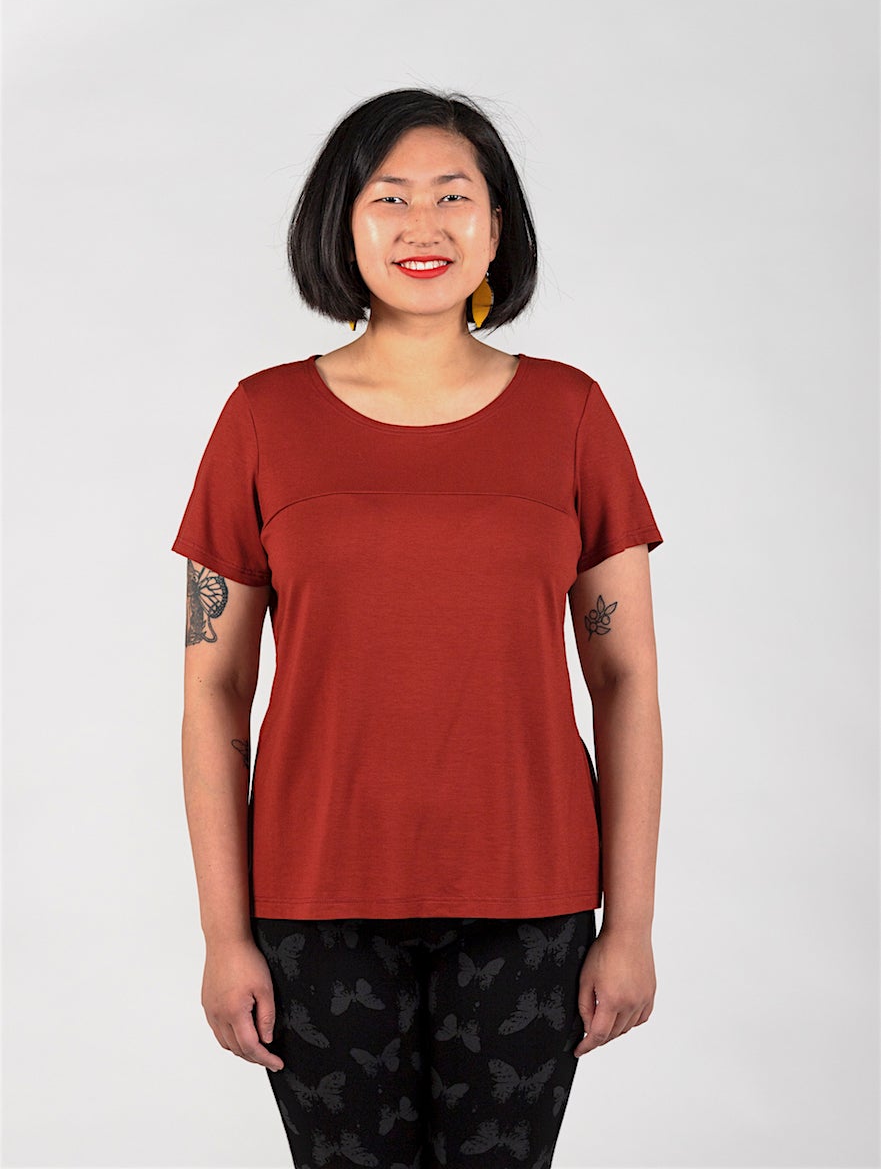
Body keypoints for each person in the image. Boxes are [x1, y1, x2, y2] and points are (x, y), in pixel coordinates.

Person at [172, 87, 664, 1168]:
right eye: (387, 197)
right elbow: (213, 689)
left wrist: (628, 924)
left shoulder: (571, 415)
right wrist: (222, 934)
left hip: (531, 900)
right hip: (312, 902)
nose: (421, 224)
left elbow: (624, 679)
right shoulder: (260, 418)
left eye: (453, 195)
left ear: (495, 228)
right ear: (342, 226)